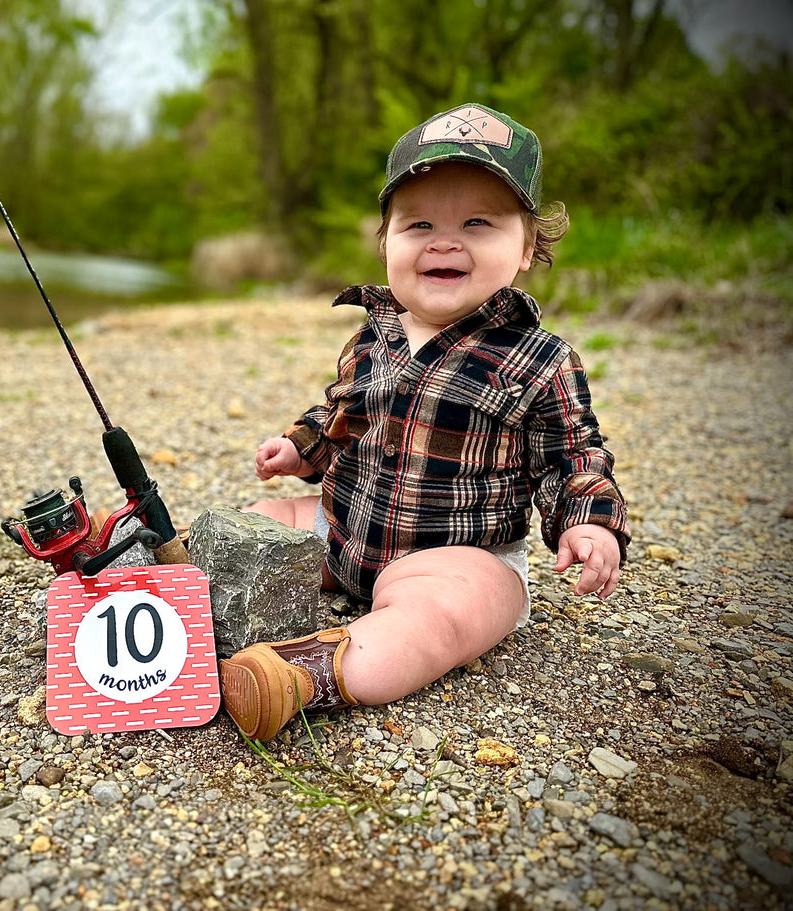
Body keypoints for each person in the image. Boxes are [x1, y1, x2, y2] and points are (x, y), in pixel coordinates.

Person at [221, 104, 630, 741]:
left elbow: (572, 457)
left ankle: (304, 676)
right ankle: (164, 573)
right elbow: (340, 413)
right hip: (345, 531)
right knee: (261, 521)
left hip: (457, 556)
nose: (445, 241)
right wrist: (301, 450)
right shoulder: (374, 334)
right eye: (418, 224)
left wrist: (589, 525)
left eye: (477, 222)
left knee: (438, 613)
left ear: (527, 249)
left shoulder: (538, 359)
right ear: (386, 243)